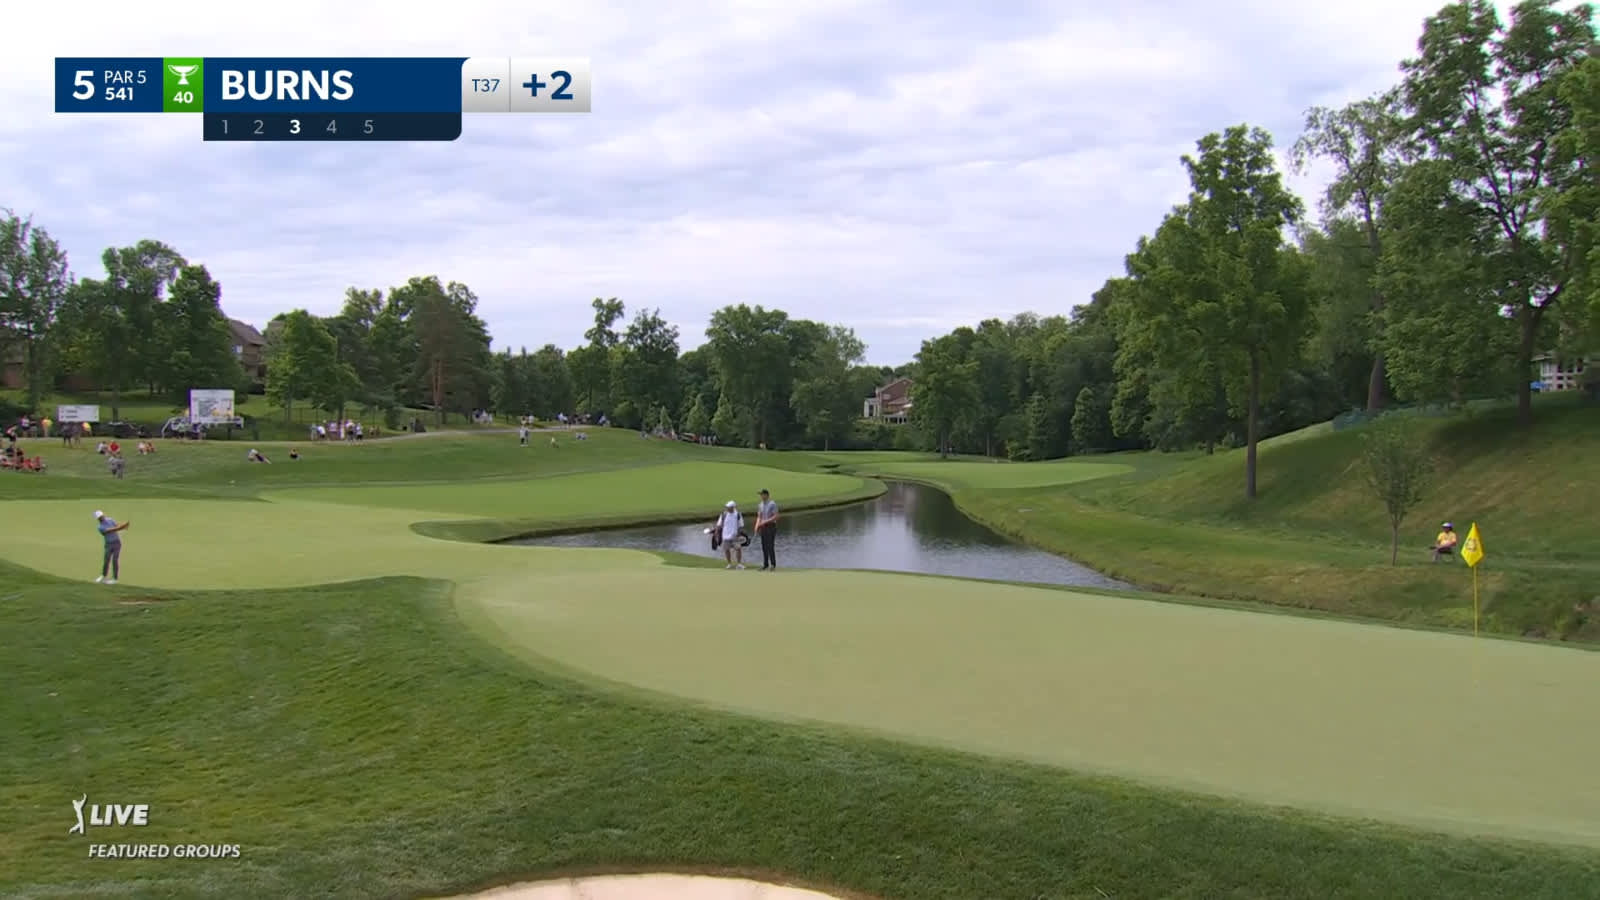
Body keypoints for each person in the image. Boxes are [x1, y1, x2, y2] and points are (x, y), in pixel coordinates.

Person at [94, 510, 128, 584]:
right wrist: (122, 527)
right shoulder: (100, 527)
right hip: (108, 544)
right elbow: (111, 530)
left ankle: (115, 579)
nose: (101, 518)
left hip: (117, 543)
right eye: (99, 517)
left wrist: (123, 526)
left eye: (101, 516)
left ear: (103, 515)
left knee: (115, 560)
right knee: (106, 560)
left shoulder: (110, 520)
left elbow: (117, 526)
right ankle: (103, 576)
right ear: (97, 519)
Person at [716, 500, 746, 569]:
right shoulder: (724, 514)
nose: (727, 508)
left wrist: (738, 534)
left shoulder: (738, 514)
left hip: (735, 536)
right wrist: (717, 533)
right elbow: (719, 525)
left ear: (733, 507)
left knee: (738, 549)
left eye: (729, 507)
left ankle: (739, 564)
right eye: (727, 507)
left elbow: (741, 525)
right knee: (726, 550)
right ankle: (729, 564)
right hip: (725, 536)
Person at [755, 488, 780, 570]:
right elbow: (759, 516)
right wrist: (757, 525)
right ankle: (765, 564)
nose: (761, 496)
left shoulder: (772, 504)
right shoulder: (760, 505)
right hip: (763, 527)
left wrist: (765, 521)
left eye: (762, 494)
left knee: (770, 546)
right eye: (761, 495)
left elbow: (776, 516)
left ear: (767, 495)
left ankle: (773, 564)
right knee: (764, 546)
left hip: (771, 526)